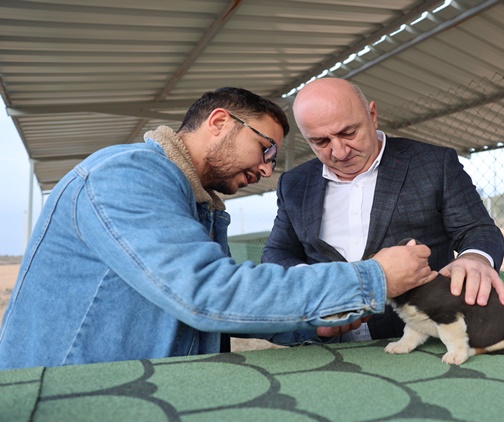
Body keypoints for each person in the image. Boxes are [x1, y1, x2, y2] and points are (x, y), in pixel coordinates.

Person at [0, 87, 436, 370]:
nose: (267, 170)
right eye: (265, 148)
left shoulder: (197, 205)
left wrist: (307, 328)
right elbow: (208, 294)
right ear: (219, 122)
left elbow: (213, 310)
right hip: (73, 395)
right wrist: (372, 278)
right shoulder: (126, 175)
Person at [261, 78, 504, 345]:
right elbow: (278, 252)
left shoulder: (434, 164)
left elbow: (476, 228)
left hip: (417, 339)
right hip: (326, 346)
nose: (340, 152)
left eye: (349, 133)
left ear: (372, 115)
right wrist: (316, 286)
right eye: (320, 141)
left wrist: (475, 258)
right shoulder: (294, 183)